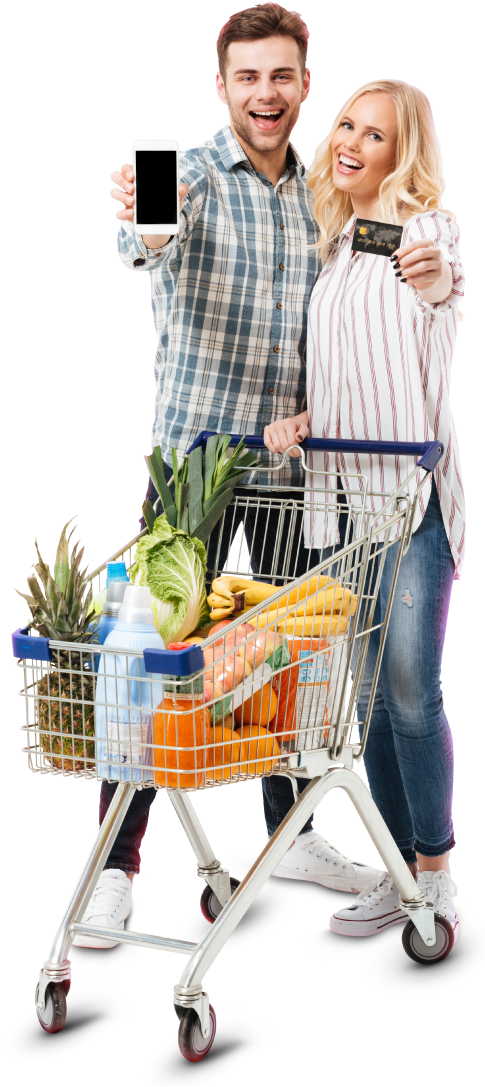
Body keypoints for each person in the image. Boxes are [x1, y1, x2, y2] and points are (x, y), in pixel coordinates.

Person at [74, 6, 383, 950]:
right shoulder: (196, 177)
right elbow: (147, 245)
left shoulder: (322, 195)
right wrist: (146, 226)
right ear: (221, 87)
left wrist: (433, 270)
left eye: (281, 76)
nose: (265, 94)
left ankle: (282, 839)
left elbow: (377, 274)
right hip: (195, 478)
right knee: (151, 678)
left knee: (276, 672)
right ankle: (114, 874)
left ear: (304, 83)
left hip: (291, 481)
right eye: (247, 77)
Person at [264, 78, 464, 942]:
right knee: (369, 696)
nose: (348, 143)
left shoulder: (415, 230)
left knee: (412, 690)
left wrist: (441, 275)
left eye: (374, 136)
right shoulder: (339, 246)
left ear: (401, 153)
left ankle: (434, 872)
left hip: (410, 501)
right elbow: (345, 372)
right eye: (344, 125)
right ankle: (391, 866)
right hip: (342, 508)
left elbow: (435, 274)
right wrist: (308, 420)